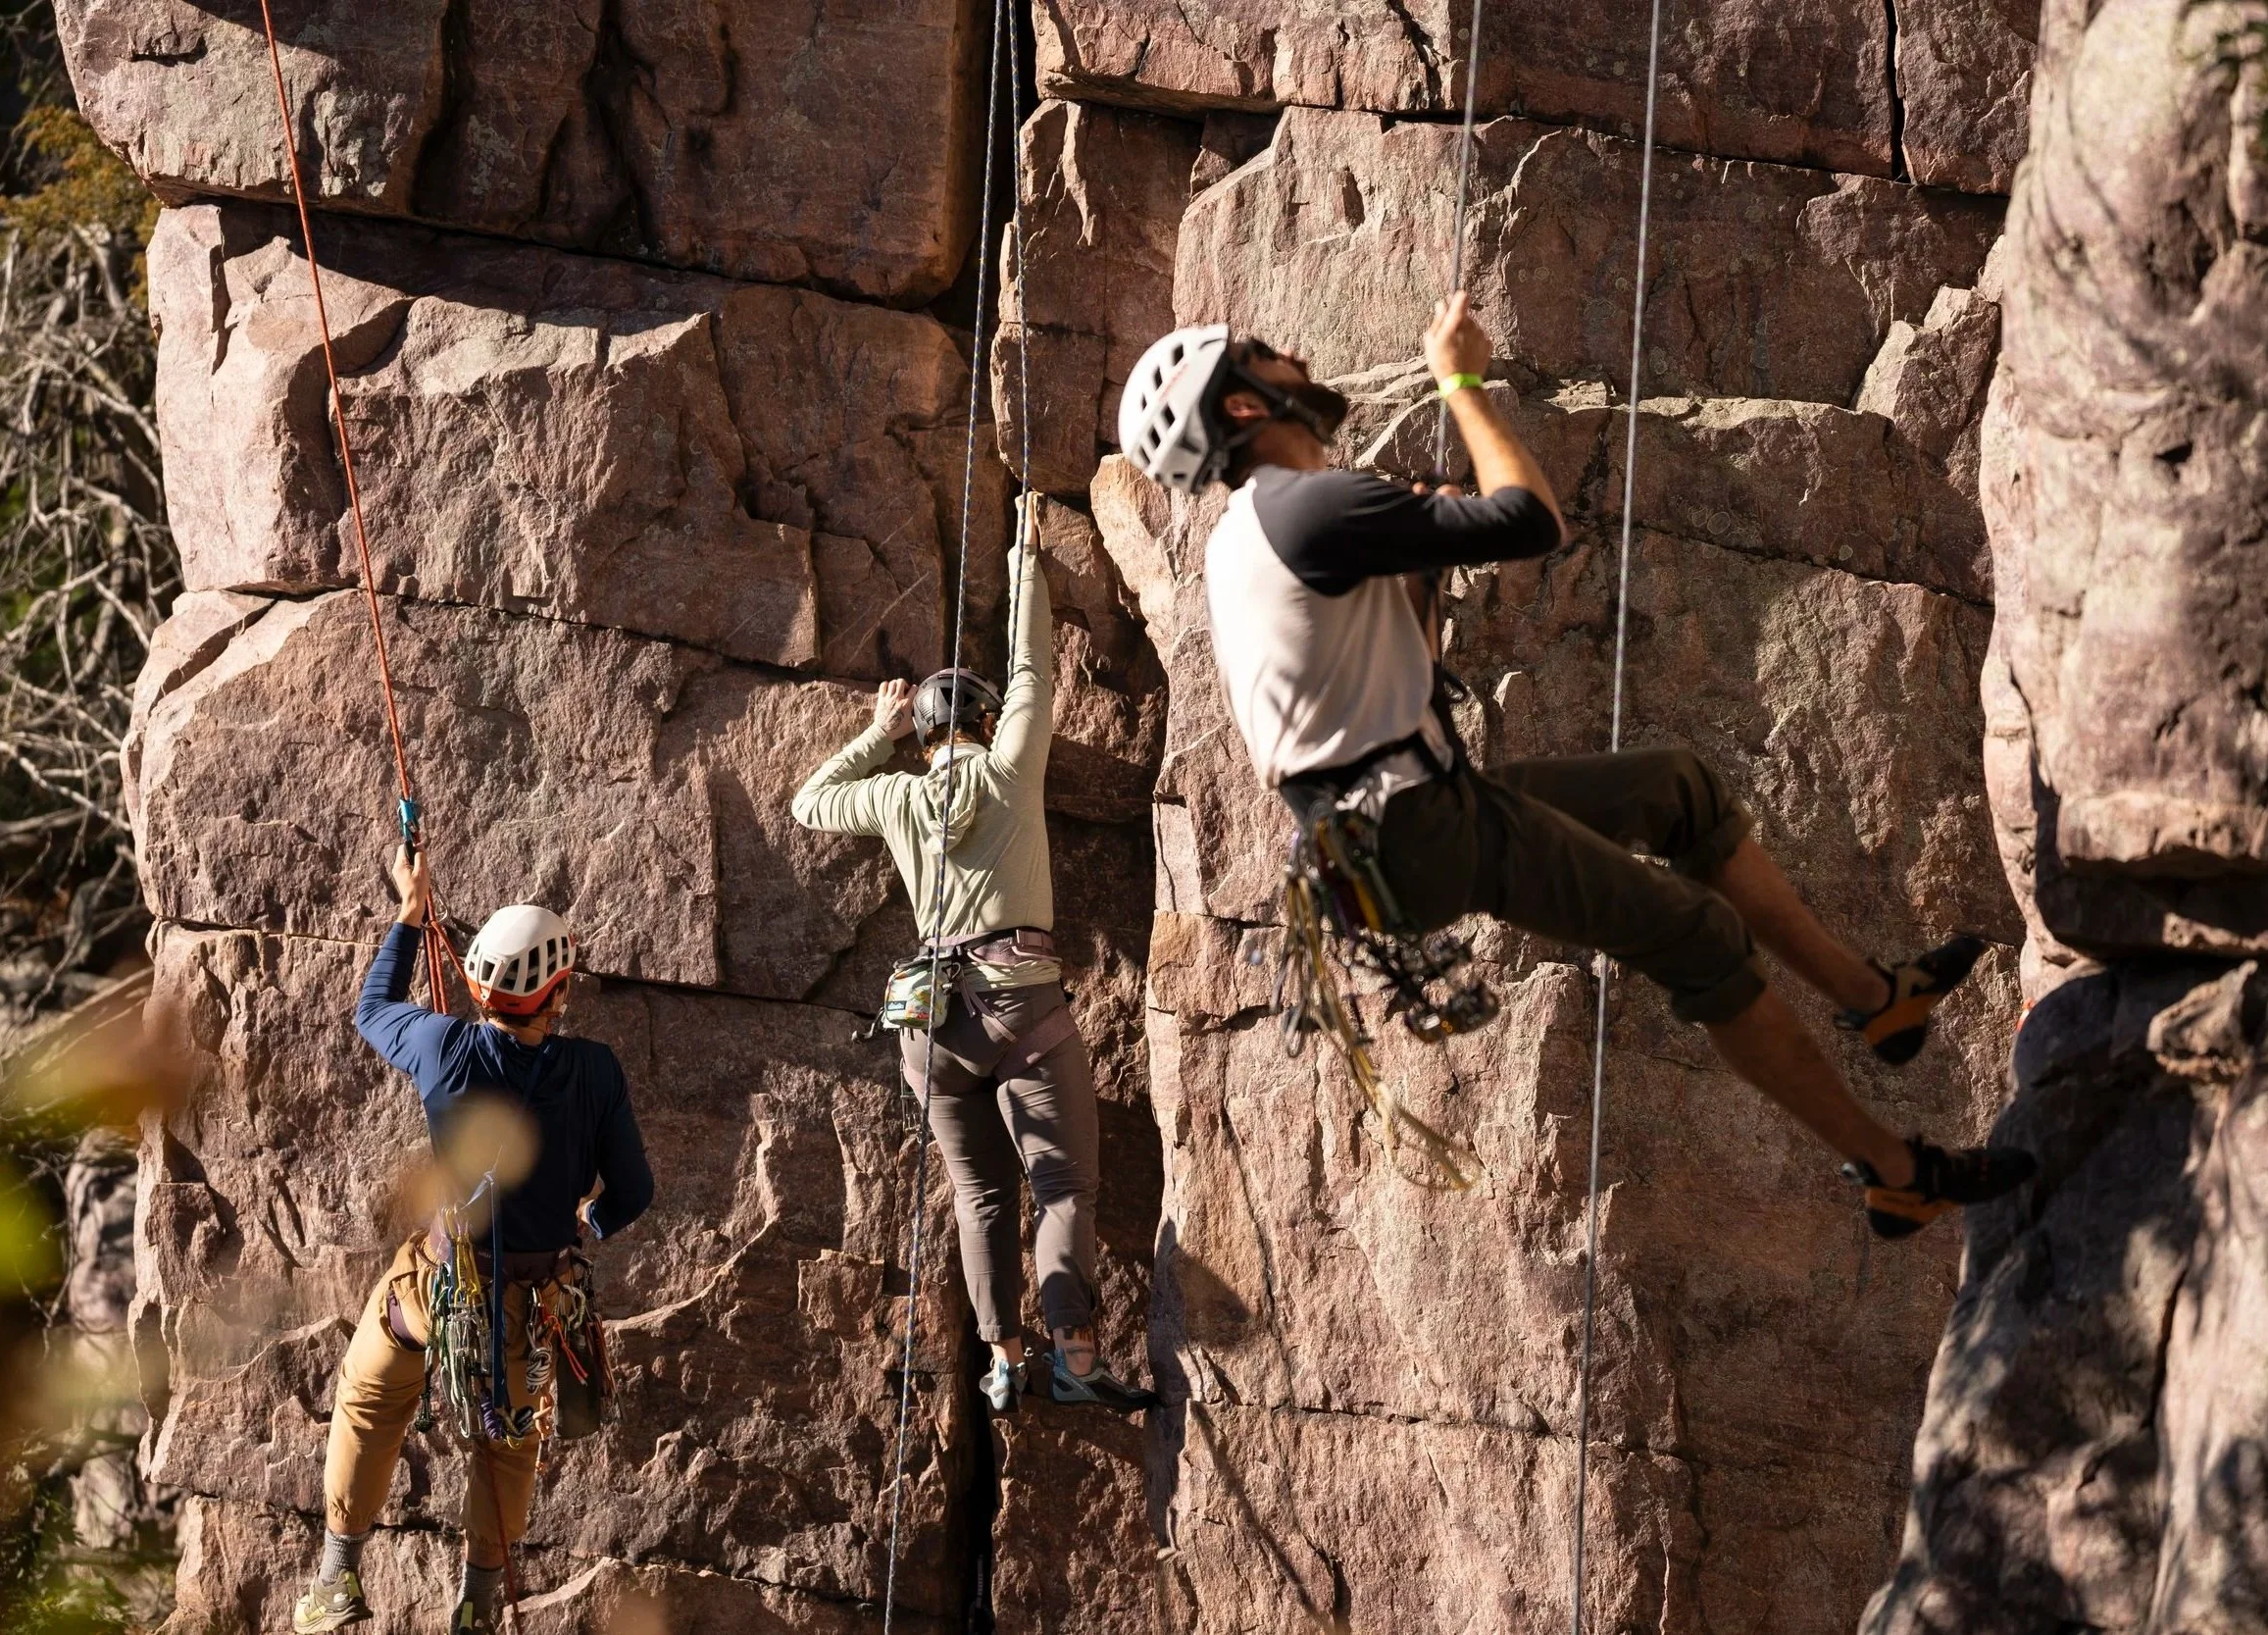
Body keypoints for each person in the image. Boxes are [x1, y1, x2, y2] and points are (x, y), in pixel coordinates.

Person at [1115, 293, 2035, 1240]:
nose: (1295, 352)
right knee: (1700, 938)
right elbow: (1528, 518)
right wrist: (1461, 383)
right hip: (1413, 825)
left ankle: (1877, 1002)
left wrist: (1422, 579)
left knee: (1675, 788)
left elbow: (1392, 676)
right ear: (1240, 407)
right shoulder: (1313, 508)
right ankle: (1896, 1171)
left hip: (1393, 827)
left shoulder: (1254, 532)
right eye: (1267, 354)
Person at [791, 536, 1152, 1415]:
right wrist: (1025, 554)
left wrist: (877, 736)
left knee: (978, 1190)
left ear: (922, 738)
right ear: (987, 723)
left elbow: (808, 803)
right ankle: (1072, 1352)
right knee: (1062, 1185)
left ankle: (1000, 1358)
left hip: (929, 1021)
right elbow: (1033, 668)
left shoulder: (897, 793)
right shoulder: (1006, 768)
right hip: (1018, 1000)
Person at [292, 852, 655, 1635]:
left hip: (435, 1285)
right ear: (555, 991)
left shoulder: (441, 1047)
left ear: (486, 986)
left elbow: (371, 1006)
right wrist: (581, 1226)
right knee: (508, 1444)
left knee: (367, 1397)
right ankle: (481, 1605)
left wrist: (410, 912)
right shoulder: (595, 1071)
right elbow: (635, 1193)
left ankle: (336, 1575)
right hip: (529, 1302)